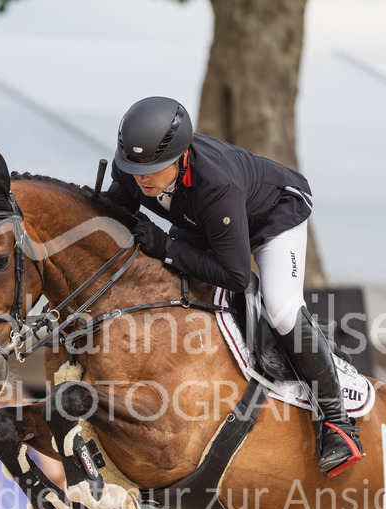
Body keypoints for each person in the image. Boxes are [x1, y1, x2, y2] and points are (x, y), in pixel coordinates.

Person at [107, 96, 364, 477]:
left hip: (273, 217)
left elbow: (236, 275)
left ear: (180, 158)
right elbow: (113, 216)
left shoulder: (216, 183)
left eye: (153, 169)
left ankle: (338, 423)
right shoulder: (133, 168)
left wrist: (167, 247)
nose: (141, 178)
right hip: (209, 223)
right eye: (134, 168)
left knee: (280, 308)